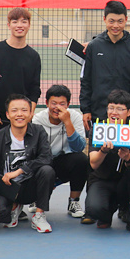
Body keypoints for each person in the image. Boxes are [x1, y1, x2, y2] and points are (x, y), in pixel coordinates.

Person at [0, 94, 55, 232]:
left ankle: (39, 215)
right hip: (7, 189)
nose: (19, 114)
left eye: (24, 110)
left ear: (31, 113)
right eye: (14, 110)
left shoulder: (38, 132)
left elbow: (46, 158)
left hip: (30, 187)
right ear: (7, 114)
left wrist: (20, 171)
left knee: (47, 170)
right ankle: (14, 207)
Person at [0, 7, 42, 163]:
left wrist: (29, 114)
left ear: (29, 25)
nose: (19, 25)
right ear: (9, 25)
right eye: (15, 21)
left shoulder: (33, 56)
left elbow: (35, 89)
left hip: (20, 118)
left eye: (23, 21)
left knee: (18, 161)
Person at [85, 90, 130, 235]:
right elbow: (93, 163)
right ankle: (107, 212)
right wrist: (103, 151)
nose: (114, 112)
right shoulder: (98, 127)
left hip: (124, 182)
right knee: (94, 210)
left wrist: (127, 158)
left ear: (129, 111)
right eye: (111, 108)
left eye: (119, 109)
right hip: (102, 180)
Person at [80, 0, 130, 125]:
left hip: (125, 112)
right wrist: (85, 109)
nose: (115, 26)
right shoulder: (94, 46)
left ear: (126, 19)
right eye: (111, 21)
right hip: (99, 110)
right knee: (98, 139)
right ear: (104, 19)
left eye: (120, 21)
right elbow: (86, 80)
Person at [32, 85, 89, 220]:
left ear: (68, 104)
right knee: (41, 168)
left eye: (62, 104)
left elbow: (79, 147)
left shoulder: (74, 117)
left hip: (62, 161)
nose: (57, 107)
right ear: (47, 103)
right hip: (42, 161)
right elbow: (33, 151)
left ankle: (73, 202)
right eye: (54, 103)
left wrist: (67, 122)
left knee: (81, 160)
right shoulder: (38, 120)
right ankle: (35, 198)